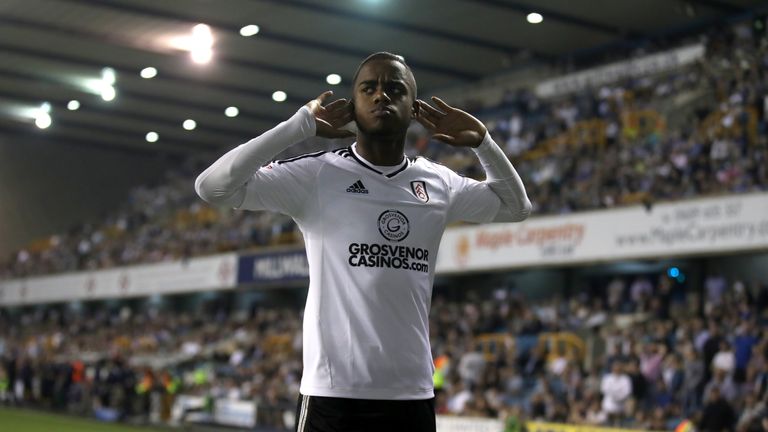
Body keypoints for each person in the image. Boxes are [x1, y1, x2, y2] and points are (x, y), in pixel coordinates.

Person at [195, 52, 531, 432]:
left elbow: (516, 207)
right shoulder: (317, 175)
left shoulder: (439, 182)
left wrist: (484, 143)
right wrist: (297, 127)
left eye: (394, 89)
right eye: (368, 88)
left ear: (413, 107)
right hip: (333, 395)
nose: (380, 96)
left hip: (410, 395)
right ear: (353, 104)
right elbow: (212, 187)